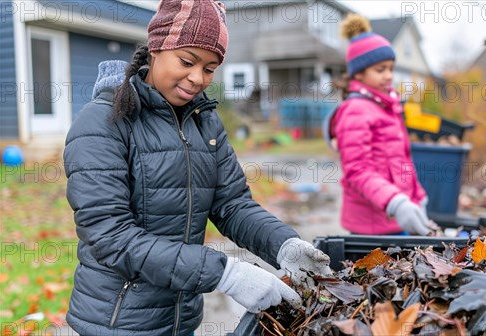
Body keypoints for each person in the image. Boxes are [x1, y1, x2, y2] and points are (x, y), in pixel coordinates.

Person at [63, 1, 332, 335]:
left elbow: (231, 203)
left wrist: (283, 244)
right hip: (116, 322)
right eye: (187, 61)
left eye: (210, 68)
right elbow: (110, 236)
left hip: (181, 318)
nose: (197, 78)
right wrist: (225, 273)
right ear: (156, 49)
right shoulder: (103, 122)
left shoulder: (204, 121)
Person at [325, 14, 436, 236]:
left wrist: (418, 197)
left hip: (397, 218)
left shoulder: (387, 107)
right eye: (380, 69)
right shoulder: (355, 110)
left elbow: (402, 160)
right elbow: (357, 170)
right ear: (359, 72)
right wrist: (395, 202)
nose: (388, 76)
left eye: (391, 68)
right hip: (372, 225)